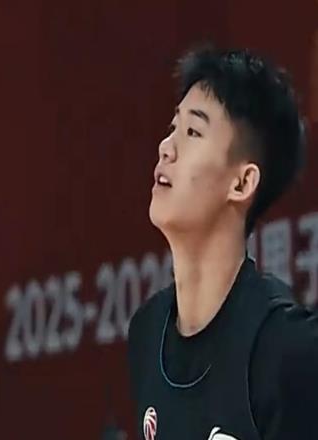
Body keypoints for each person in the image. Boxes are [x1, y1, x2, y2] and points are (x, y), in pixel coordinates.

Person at [127, 45, 318, 440]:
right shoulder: (147, 332)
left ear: (242, 183)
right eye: (173, 127)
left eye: (193, 132)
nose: (166, 147)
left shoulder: (287, 348)